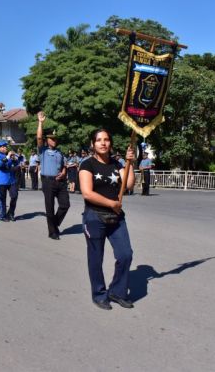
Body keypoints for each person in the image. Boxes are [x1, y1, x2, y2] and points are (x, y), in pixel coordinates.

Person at [78, 128, 135, 310]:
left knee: (125, 255)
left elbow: (128, 184)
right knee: (96, 258)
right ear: (92, 144)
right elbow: (87, 194)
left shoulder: (117, 164)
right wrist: (111, 203)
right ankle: (99, 294)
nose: (103, 143)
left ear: (110, 143)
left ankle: (117, 292)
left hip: (116, 218)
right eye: (99, 140)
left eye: (106, 140)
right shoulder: (87, 165)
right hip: (94, 216)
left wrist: (129, 163)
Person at [36, 111, 70, 240]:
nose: (54, 140)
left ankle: (54, 224)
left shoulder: (60, 153)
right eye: (52, 138)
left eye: (55, 138)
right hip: (48, 182)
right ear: (47, 140)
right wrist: (40, 122)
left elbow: (64, 166)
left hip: (60, 181)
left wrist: (64, 172)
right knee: (49, 208)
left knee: (65, 205)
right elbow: (39, 138)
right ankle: (52, 232)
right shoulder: (42, 151)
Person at [0, 140, 19, 222]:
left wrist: (15, 159)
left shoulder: (9, 155)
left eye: (5, 146)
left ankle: (11, 213)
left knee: (14, 196)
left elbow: (16, 164)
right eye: (2, 147)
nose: (5, 148)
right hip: (2, 180)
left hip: (11, 180)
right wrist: (8, 157)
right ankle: (3, 215)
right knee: (2, 199)